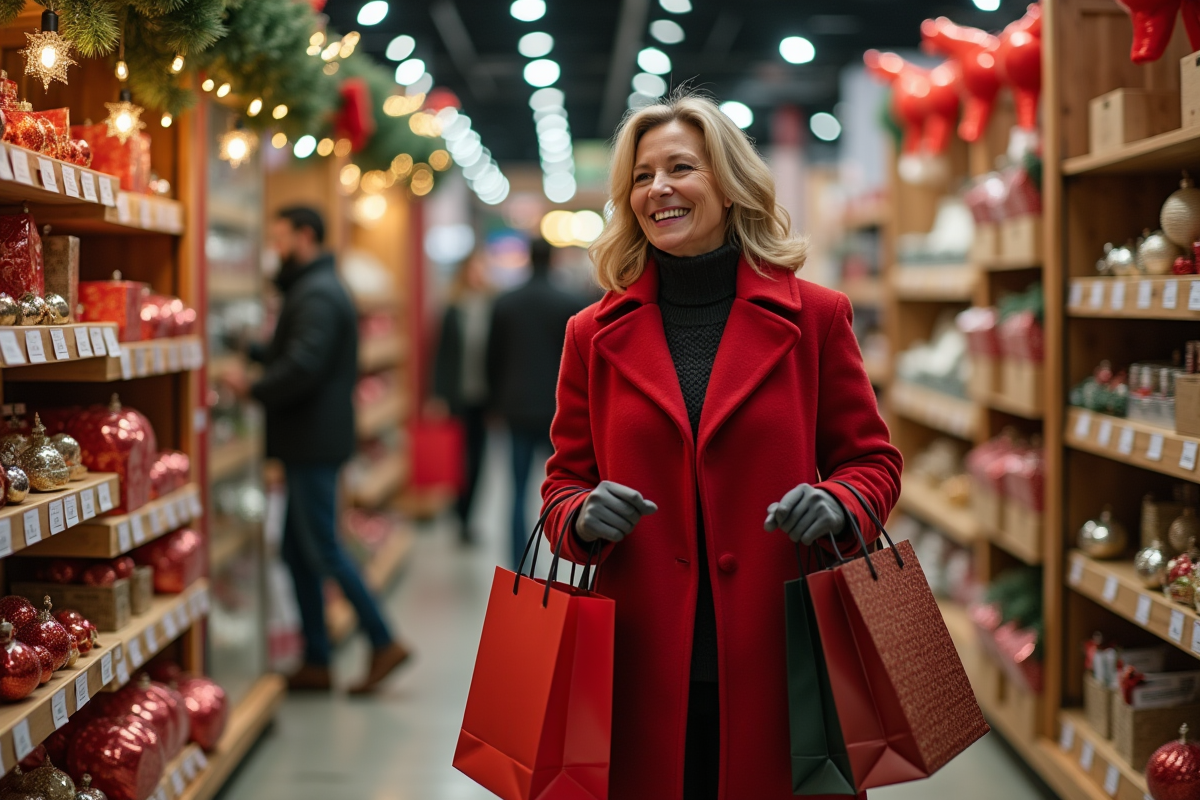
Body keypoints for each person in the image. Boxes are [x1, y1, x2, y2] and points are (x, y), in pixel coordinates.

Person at [539, 91, 902, 800]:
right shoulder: (592, 334)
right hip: (639, 660)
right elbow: (562, 484)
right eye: (642, 177)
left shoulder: (816, 318)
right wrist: (580, 517)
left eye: (681, 167)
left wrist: (838, 502)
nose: (659, 189)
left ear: (732, 187)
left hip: (786, 652)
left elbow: (872, 462)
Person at [225, 206, 410, 694]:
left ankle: (383, 639)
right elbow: (301, 353)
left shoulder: (319, 293)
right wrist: (254, 351)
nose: (275, 250)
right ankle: (317, 659)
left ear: (306, 236)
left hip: (312, 441)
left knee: (323, 545)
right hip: (310, 439)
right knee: (296, 550)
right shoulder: (315, 289)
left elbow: (304, 366)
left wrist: (253, 388)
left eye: (281, 237)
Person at [486, 237, 586, 569]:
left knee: (516, 489)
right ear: (553, 260)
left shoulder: (506, 302)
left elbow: (492, 358)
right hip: (559, 408)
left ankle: (519, 563)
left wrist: (493, 403)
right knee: (566, 486)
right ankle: (565, 556)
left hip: (516, 406)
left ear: (527, 259)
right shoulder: (570, 302)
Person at [431, 250, 494, 545]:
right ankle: (458, 510)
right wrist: (437, 395)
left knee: (479, 459)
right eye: (473, 269)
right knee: (458, 458)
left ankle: (469, 516)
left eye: (481, 268)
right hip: (457, 396)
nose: (477, 274)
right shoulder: (453, 309)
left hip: (484, 397)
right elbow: (441, 354)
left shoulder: (494, 307)